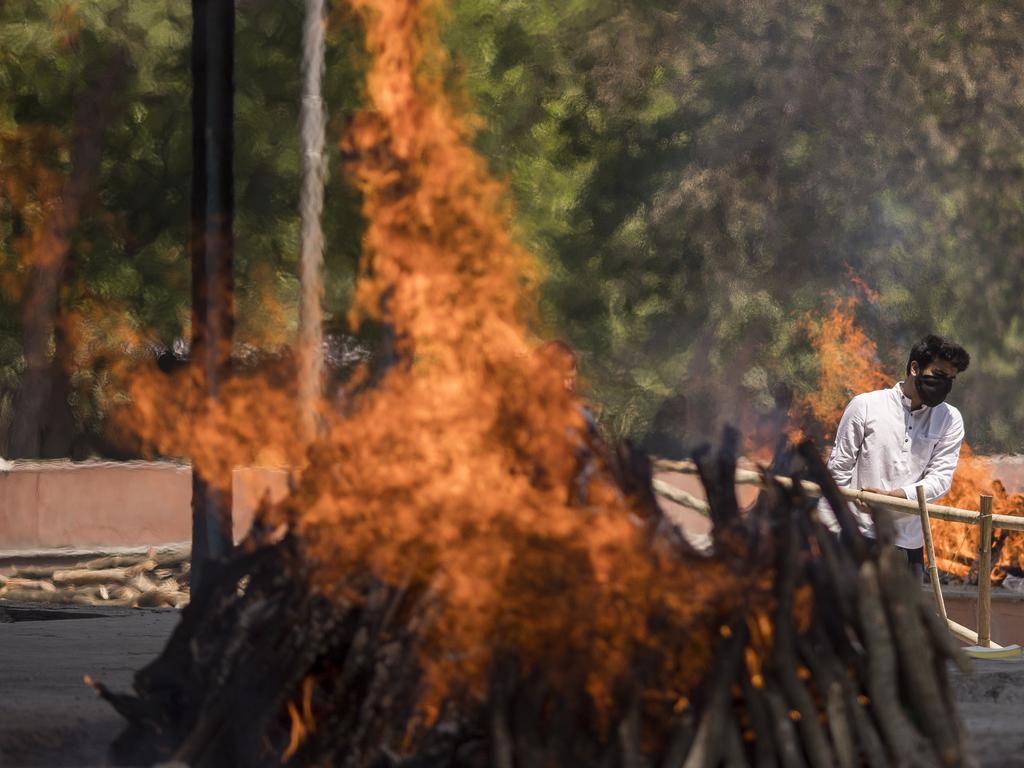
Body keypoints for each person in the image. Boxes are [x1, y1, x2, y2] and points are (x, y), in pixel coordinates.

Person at [822, 334, 970, 572]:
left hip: (908, 546)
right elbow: (838, 472)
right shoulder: (866, 406)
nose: (944, 385)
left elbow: (940, 480)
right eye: (939, 375)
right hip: (858, 537)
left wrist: (896, 496)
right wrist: (829, 533)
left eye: (950, 379)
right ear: (914, 368)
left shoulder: (950, 419)